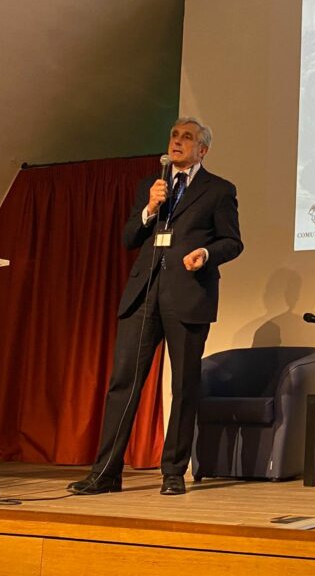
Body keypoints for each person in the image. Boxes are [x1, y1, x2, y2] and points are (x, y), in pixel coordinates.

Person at [68, 118, 243, 496]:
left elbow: (232, 242)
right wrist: (149, 207)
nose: (177, 142)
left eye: (187, 137)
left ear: (203, 150)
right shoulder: (152, 185)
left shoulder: (219, 190)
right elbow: (129, 237)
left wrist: (205, 253)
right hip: (143, 294)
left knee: (184, 386)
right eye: (174, 136)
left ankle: (173, 473)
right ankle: (105, 474)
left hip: (189, 295)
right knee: (123, 384)